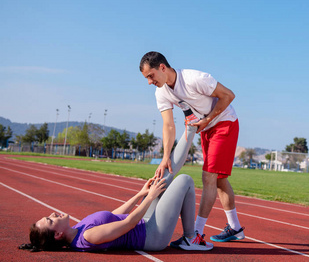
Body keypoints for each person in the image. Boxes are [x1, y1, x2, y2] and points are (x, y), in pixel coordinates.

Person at [19, 127, 212, 252]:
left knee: (161, 177)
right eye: (50, 220)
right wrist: (150, 197)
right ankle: (189, 238)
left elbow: (113, 216)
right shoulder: (87, 237)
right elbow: (127, 224)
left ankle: (191, 125)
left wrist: (142, 193)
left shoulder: (77, 230)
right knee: (184, 180)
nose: (52, 214)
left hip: (144, 223)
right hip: (153, 235)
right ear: (58, 235)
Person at [139, 51, 245, 242]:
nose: (149, 82)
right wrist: (165, 158)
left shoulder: (194, 79)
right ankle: (235, 228)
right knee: (219, 180)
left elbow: (228, 95)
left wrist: (208, 119)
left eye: (150, 76)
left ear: (162, 67)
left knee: (209, 176)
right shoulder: (161, 91)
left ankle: (195, 234)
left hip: (224, 122)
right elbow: (168, 125)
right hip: (205, 128)